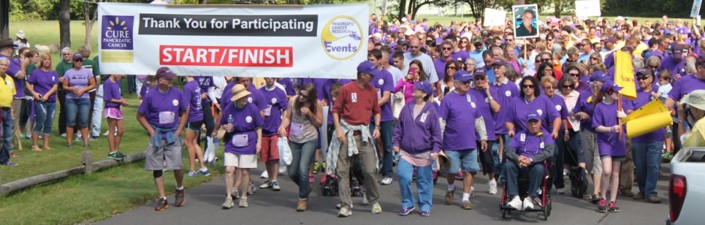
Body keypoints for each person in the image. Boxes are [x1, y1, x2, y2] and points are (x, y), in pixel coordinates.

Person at [329, 61, 383, 217]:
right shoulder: (346, 89)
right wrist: (338, 130)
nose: (372, 77)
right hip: (346, 133)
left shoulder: (372, 91)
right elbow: (336, 110)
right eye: (370, 74)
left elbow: (376, 111)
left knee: (370, 169)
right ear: (362, 74)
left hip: (363, 134)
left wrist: (377, 127)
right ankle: (346, 204)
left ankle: (374, 200)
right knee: (342, 170)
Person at [136, 67, 187, 211]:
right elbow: (139, 115)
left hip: (173, 134)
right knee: (156, 166)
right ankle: (162, 197)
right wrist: (151, 130)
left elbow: (184, 112)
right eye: (168, 78)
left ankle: (179, 188)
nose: (171, 80)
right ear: (160, 80)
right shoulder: (150, 95)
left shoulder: (177, 93)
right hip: (157, 135)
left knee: (177, 164)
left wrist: (179, 130)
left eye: (171, 78)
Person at [439, 70, 488, 210]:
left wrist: (483, 137)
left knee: (469, 170)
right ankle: (450, 187)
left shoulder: (471, 98)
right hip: (451, 142)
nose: (468, 84)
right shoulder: (448, 99)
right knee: (452, 171)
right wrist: (439, 142)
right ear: (456, 83)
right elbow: (441, 121)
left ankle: (465, 197)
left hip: (470, 142)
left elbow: (479, 119)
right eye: (465, 82)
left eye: (469, 82)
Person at [392, 81, 441, 217]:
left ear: (424, 93)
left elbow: (437, 132)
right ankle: (407, 203)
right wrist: (395, 142)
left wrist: (436, 149)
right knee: (403, 176)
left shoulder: (431, 110)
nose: (414, 90)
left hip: (425, 152)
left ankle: (425, 205)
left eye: (417, 89)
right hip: (406, 151)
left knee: (424, 181)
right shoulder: (407, 107)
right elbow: (398, 127)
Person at [216, 83, 263, 209]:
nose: (244, 100)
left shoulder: (252, 108)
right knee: (229, 169)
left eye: (245, 97)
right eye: (242, 98)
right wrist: (225, 127)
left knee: (245, 171)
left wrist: (259, 142)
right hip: (232, 141)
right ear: (236, 98)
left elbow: (258, 127)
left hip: (249, 140)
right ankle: (229, 197)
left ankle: (243, 197)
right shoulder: (229, 108)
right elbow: (222, 123)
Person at [278, 83, 322, 211]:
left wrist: (310, 114)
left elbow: (319, 123)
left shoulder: (316, 103)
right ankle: (306, 187)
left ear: (311, 97)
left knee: (303, 169)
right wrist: (282, 126)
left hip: (309, 139)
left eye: (305, 96)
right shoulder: (293, 100)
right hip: (294, 139)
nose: (301, 97)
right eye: (300, 94)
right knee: (292, 172)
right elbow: (288, 117)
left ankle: (302, 199)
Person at [503, 113, 555, 211]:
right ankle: (515, 197)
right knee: (508, 165)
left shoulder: (546, 136)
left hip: (535, 165)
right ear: (526, 124)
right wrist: (518, 158)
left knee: (539, 168)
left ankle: (530, 197)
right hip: (520, 164)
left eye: (535, 122)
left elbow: (549, 152)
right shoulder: (520, 135)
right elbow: (508, 149)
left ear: (540, 123)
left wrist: (531, 160)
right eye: (530, 122)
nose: (533, 125)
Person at [593, 81, 628, 213]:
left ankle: (612, 200)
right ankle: (603, 197)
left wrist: (624, 117)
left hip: (618, 141)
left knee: (615, 173)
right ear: (608, 92)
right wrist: (611, 129)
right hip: (605, 141)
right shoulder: (599, 107)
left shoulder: (620, 105)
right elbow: (597, 126)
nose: (618, 93)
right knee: (606, 171)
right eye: (615, 91)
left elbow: (628, 120)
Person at [631, 69, 664, 203]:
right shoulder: (633, 94)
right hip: (638, 136)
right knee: (640, 166)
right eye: (639, 78)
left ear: (652, 78)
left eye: (644, 77)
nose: (641, 80)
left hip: (655, 136)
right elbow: (629, 110)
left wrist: (658, 100)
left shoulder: (660, 92)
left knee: (653, 165)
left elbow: (668, 109)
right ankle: (643, 190)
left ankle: (651, 192)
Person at [467, 68, 501, 195]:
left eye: (482, 78)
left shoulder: (491, 91)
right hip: (471, 131)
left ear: (486, 79)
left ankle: (492, 181)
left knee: (487, 159)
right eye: (477, 78)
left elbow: (497, 108)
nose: (480, 81)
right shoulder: (469, 92)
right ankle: (470, 186)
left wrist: (488, 93)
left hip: (487, 132)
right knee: (471, 160)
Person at [368, 49, 396, 185]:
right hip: (369, 117)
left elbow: (386, 96)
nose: (370, 61)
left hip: (385, 117)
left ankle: (388, 173)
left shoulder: (386, 75)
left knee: (387, 146)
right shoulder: (367, 76)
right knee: (369, 144)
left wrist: (373, 106)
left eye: (372, 59)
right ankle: (371, 170)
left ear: (379, 60)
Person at [258, 77, 288, 191]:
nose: (270, 79)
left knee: (274, 156)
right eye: (267, 76)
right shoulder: (260, 91)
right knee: (265, 156)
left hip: (275, 129)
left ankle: (275, 179)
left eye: (272, 77)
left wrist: (282, 125)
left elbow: (285, 109)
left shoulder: (279, 92)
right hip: (263, 129)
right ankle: (270, 179)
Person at [62, 53, 96, 148]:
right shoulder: (69, 72)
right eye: (77, 60)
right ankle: (69, 143)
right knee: (71, 121)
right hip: (71, 99)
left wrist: (84, 90)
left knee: (84, 121)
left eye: (80, 60)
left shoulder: (87, 72)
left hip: (84, 99)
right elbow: (64, 86)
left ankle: (86, 142)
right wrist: (72, 89)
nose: (79, 62)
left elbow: (93, 84)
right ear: (73, 61)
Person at [27, 52, 58, 152]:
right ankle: (34, 145)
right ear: (41, 61)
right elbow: (28, 83)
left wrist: (47, 95)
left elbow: (55, 86)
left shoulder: (54, 73)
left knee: (49, 122)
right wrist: (34, 93)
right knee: (40, 122)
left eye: (48, 59)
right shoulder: (36, 72)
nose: (47, 61)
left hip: (51, 101)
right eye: (45, 59)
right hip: (40, 101)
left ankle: (45, 144)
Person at [182, 76, 210, 177]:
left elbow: (186, 105)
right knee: (194, 142)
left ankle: (192, 169)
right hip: (199, 115)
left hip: (192, 117)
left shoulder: (188, 87)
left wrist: (183, 119)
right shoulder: (196, 83)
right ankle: (203, 167)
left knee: (188, 143)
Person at [102, 74, 128, 160]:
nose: (120, 78)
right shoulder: (107, 83)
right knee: (112, 130)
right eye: (120, 76)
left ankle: (116, 150)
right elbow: (107, 98)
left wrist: (122, 101)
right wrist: (120, 101)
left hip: (117, 108)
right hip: (110, 107)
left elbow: (118, 95)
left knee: (121, 130)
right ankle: (112, 152)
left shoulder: (117, 82)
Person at [0, 57, 17, 166]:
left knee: (8, 136)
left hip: (7, 110)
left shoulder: (10, 79)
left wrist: (12, 109)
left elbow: (12, 95)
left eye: (5, 65)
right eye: (1, 64)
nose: (3, 67)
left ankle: (4, 159)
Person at [55, 47, 73, 137]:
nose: (66, 56)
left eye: (68, 54)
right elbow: (59, 78)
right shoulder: (60, 65)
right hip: (63, 91)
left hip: (74, 91)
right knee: (64, 110)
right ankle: (62, 130)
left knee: (73, 110)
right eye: (64, 54)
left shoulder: (74, 64)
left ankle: (73, 129)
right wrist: (72, 80)